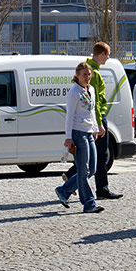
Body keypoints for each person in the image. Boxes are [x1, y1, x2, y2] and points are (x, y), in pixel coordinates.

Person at [62, 42, 123, 200]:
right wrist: (99, 123)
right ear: (101, 54)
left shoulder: (90, 70)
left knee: (90, 163)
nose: (108, 58)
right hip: (92, 121)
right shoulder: (92, 73)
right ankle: (98, 192)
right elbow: (93, 105)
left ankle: (69, 182)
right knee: (98, 158)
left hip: (92, 122)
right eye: (107, 54)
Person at [54, 62, 104, 214]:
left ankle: (64, 190)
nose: (87, 77)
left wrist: (96, 128)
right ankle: (89, 204)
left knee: (92, 168)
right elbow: (69, 116)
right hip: (78, 132)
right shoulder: (74, 92)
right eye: (84, 75)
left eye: (89, 74)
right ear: (77, 76)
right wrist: (68, 137)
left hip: (89, 132)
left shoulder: (91, 90)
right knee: (84, 169)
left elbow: (92, 111)